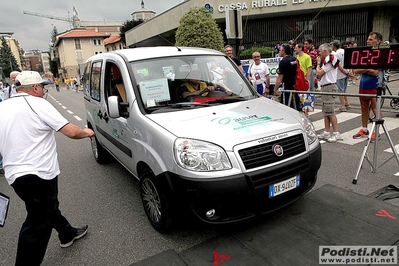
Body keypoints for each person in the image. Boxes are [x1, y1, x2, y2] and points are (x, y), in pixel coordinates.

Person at [0, 71, 95, 266]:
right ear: (34, 88)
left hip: (15, 175)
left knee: (44, 208)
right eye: (42, 87)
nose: (44, 91)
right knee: (37, 224)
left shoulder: (3, 106)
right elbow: (69, 131)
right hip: (39, 173)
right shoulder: (38, 104)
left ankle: (67, 233)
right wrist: (86, 133)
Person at [352, 32, 383, 142]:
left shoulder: (381, 54)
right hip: (363, 85)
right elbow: (356, 70)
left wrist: (364, 69)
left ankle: (377, 131)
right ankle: (364, 129)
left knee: (375, 109)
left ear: (378, 41)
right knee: (364, 109)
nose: (367, 41)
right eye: (368, 39)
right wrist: (367, 69)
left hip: (375, 86)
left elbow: (376, 73)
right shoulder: (364, 54)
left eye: (370, 39)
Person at [316, 43, 341, 143]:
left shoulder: (329, 60)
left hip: (329, 87)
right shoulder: (328, 59)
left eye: (320, 51)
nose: (319, 53)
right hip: (325, 86)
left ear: (325, 51)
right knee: (326, 111)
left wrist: (318, 64)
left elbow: (319, 73)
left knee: (330, 111)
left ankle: (336, 132)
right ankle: (327, 132)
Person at [273, 43, 300, 111]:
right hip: (294, 84)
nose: (279, 51)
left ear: (284, 51)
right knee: (294, 103)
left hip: (286, 85)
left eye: (280, 50)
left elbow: (280, 77)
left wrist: (275, 89)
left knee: (286, 105)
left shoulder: (283, 61)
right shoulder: (294, 59)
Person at [331, 40, 351, 112]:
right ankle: (347, 103)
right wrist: (348, 72)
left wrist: (345, 72)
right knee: (344, 89)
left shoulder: (336, 54)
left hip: (340, 74)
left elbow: (338, 66)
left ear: (334, 46)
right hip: (346, 72)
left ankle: (342, 106)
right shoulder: (344, 51)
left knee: (340, 91)